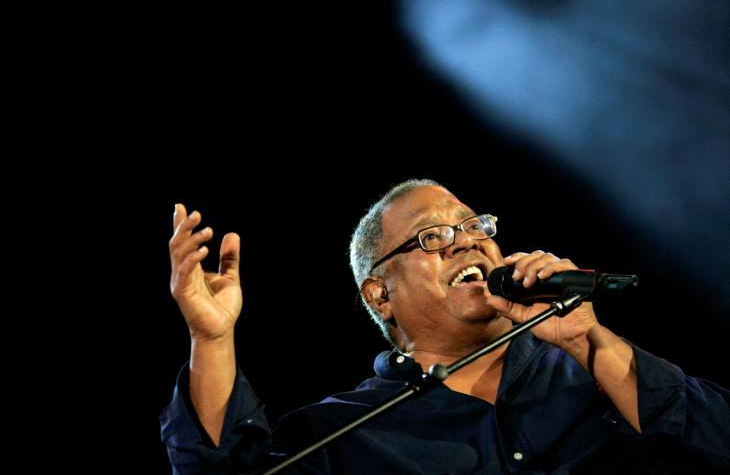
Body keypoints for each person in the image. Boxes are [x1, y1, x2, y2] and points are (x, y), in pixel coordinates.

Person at [161, 179, 729, 474]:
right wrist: (212, 339)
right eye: (434, 237)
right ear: (379, 294)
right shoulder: (342, 433)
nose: (469, 243)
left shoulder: (595, 376)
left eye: (476, 226)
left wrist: (585, 338)